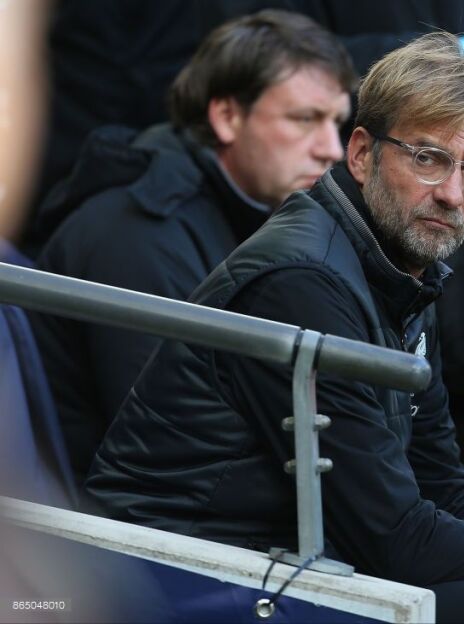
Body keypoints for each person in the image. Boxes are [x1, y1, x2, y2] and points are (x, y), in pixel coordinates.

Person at [85, 32, 464, 624]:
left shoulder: (405, 273)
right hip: (175, 578)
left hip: (277, 563)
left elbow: (443, 490)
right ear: (362, 153)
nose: (452, 195)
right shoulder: (303, 282)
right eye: (428, 159)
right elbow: (393, 539)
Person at [28, 10, 356, 488]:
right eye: (305, 119)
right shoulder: (138, 233)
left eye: (337, 122)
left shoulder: (255, 212)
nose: (332, 149)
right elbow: (167, 441)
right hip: (98, 522)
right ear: (226, 117)